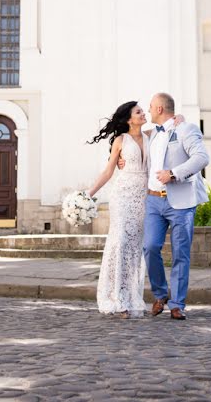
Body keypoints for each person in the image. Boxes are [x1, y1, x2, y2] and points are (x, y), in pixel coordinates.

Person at [119, 92, 209, 320]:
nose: (148, 111)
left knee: (180, 254)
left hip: (181, 202)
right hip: (153, 201)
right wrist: (121, 159)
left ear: (159, 109)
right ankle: (160, 294)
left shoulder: (186, 130)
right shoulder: (152, 135)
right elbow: (130, 141)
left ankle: (177, 304)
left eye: (150, 107)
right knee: (149, 247)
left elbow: (201, 158)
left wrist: (174, 173)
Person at [86, 101, 150, 318]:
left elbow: (172, 124)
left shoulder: (152, 136)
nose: (143, 113)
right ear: (129, 119)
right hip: (122, 196)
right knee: (121, 243)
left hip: (143, 198)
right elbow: (108, 171)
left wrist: (179, 119)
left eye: (143, 111)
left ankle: (132, 296)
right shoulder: (121, 140)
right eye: (139, 112)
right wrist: (88, 194)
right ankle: (117, 299)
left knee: (135, 248)